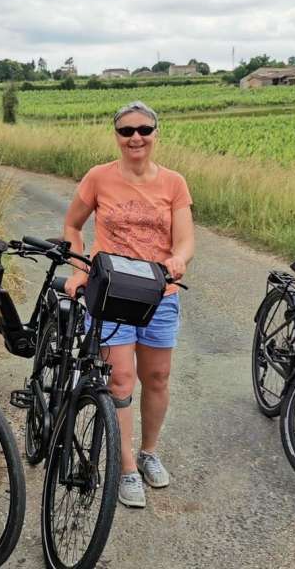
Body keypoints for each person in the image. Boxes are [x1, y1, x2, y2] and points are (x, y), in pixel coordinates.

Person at [62, 101, 194, 509]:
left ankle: (148, 452)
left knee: (156, 377)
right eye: (126, 131)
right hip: (111, 292)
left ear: (156, 133)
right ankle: (126, 468)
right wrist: (80, 266)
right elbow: (72, 225)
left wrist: (178, 259)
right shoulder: (99, 178)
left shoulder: (174, 183)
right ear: (116, 136)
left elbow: (186, 239)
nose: (136, 137)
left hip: (159, 293)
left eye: (144, 129)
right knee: (120, 379)